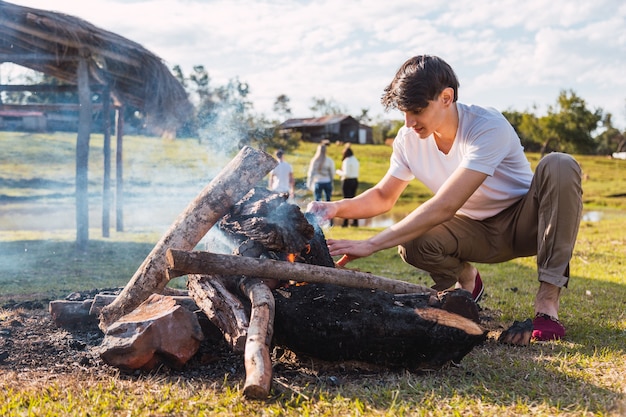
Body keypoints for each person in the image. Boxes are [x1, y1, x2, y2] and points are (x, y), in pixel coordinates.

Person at [307, 55, 582, 344]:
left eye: (416, 110)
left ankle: (547, 305)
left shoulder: (487, 126)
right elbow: (384, 195)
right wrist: (336, 207)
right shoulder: (407, 139)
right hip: (474, 231)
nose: (409, 122)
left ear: (446, 97)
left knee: (560, 164)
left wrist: (372, 243)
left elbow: (446, 204)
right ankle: (467, 280)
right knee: (412, 240)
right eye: (404, 112)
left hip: (528, 225)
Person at [336, 145, 360, 227]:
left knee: (346, 202)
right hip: (355, 181)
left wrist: (338, 172)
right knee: (353, 202)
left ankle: (345, 222)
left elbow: (346, 174)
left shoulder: (346, 161)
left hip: (347, 181)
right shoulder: (355, 160)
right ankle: (355, 221)